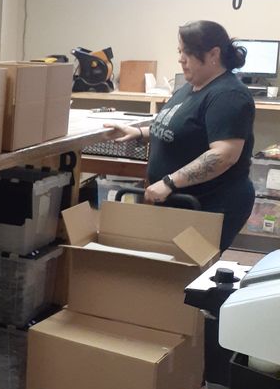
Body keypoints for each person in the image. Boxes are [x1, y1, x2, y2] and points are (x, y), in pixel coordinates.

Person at [106, 20, 255, 252]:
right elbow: (179, 131)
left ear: (214, 53)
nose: (181, 58)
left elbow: (224, 154)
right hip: (179, 201)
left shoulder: (229, 95)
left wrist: (169, 182)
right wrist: (138, 133)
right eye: (180, 51)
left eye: (188, 52)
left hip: (210, 203)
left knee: (186, 270)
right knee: (167, 267)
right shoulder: (190, 87)